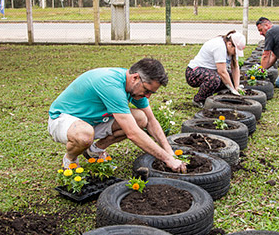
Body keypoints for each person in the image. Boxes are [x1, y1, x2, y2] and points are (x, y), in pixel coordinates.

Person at [48, 58, 186, 172]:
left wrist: (170, 152)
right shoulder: (111, 85)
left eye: (152, 93)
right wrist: (168, 160)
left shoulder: (135, 85)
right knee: (85, 135)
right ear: (136, 78)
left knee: (141, 119)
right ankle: (70, 159)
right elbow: (133, 133)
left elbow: (151, 120)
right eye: (147, 91)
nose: (148, 96)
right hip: (63, 119)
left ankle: (95, 150)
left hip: (94, 121)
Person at [185, 30, 246, 107]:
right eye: (235, 50)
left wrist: (236, 87)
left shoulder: (231, 48)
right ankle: (198, 100)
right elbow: (222, 72)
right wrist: (232, 89)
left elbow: (235, 68)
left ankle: (213, 95)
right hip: (193, 72)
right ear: (229, 44)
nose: (236, 53)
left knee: (231, 78)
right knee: (214, 79)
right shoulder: (219, 46)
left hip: (211, 71)